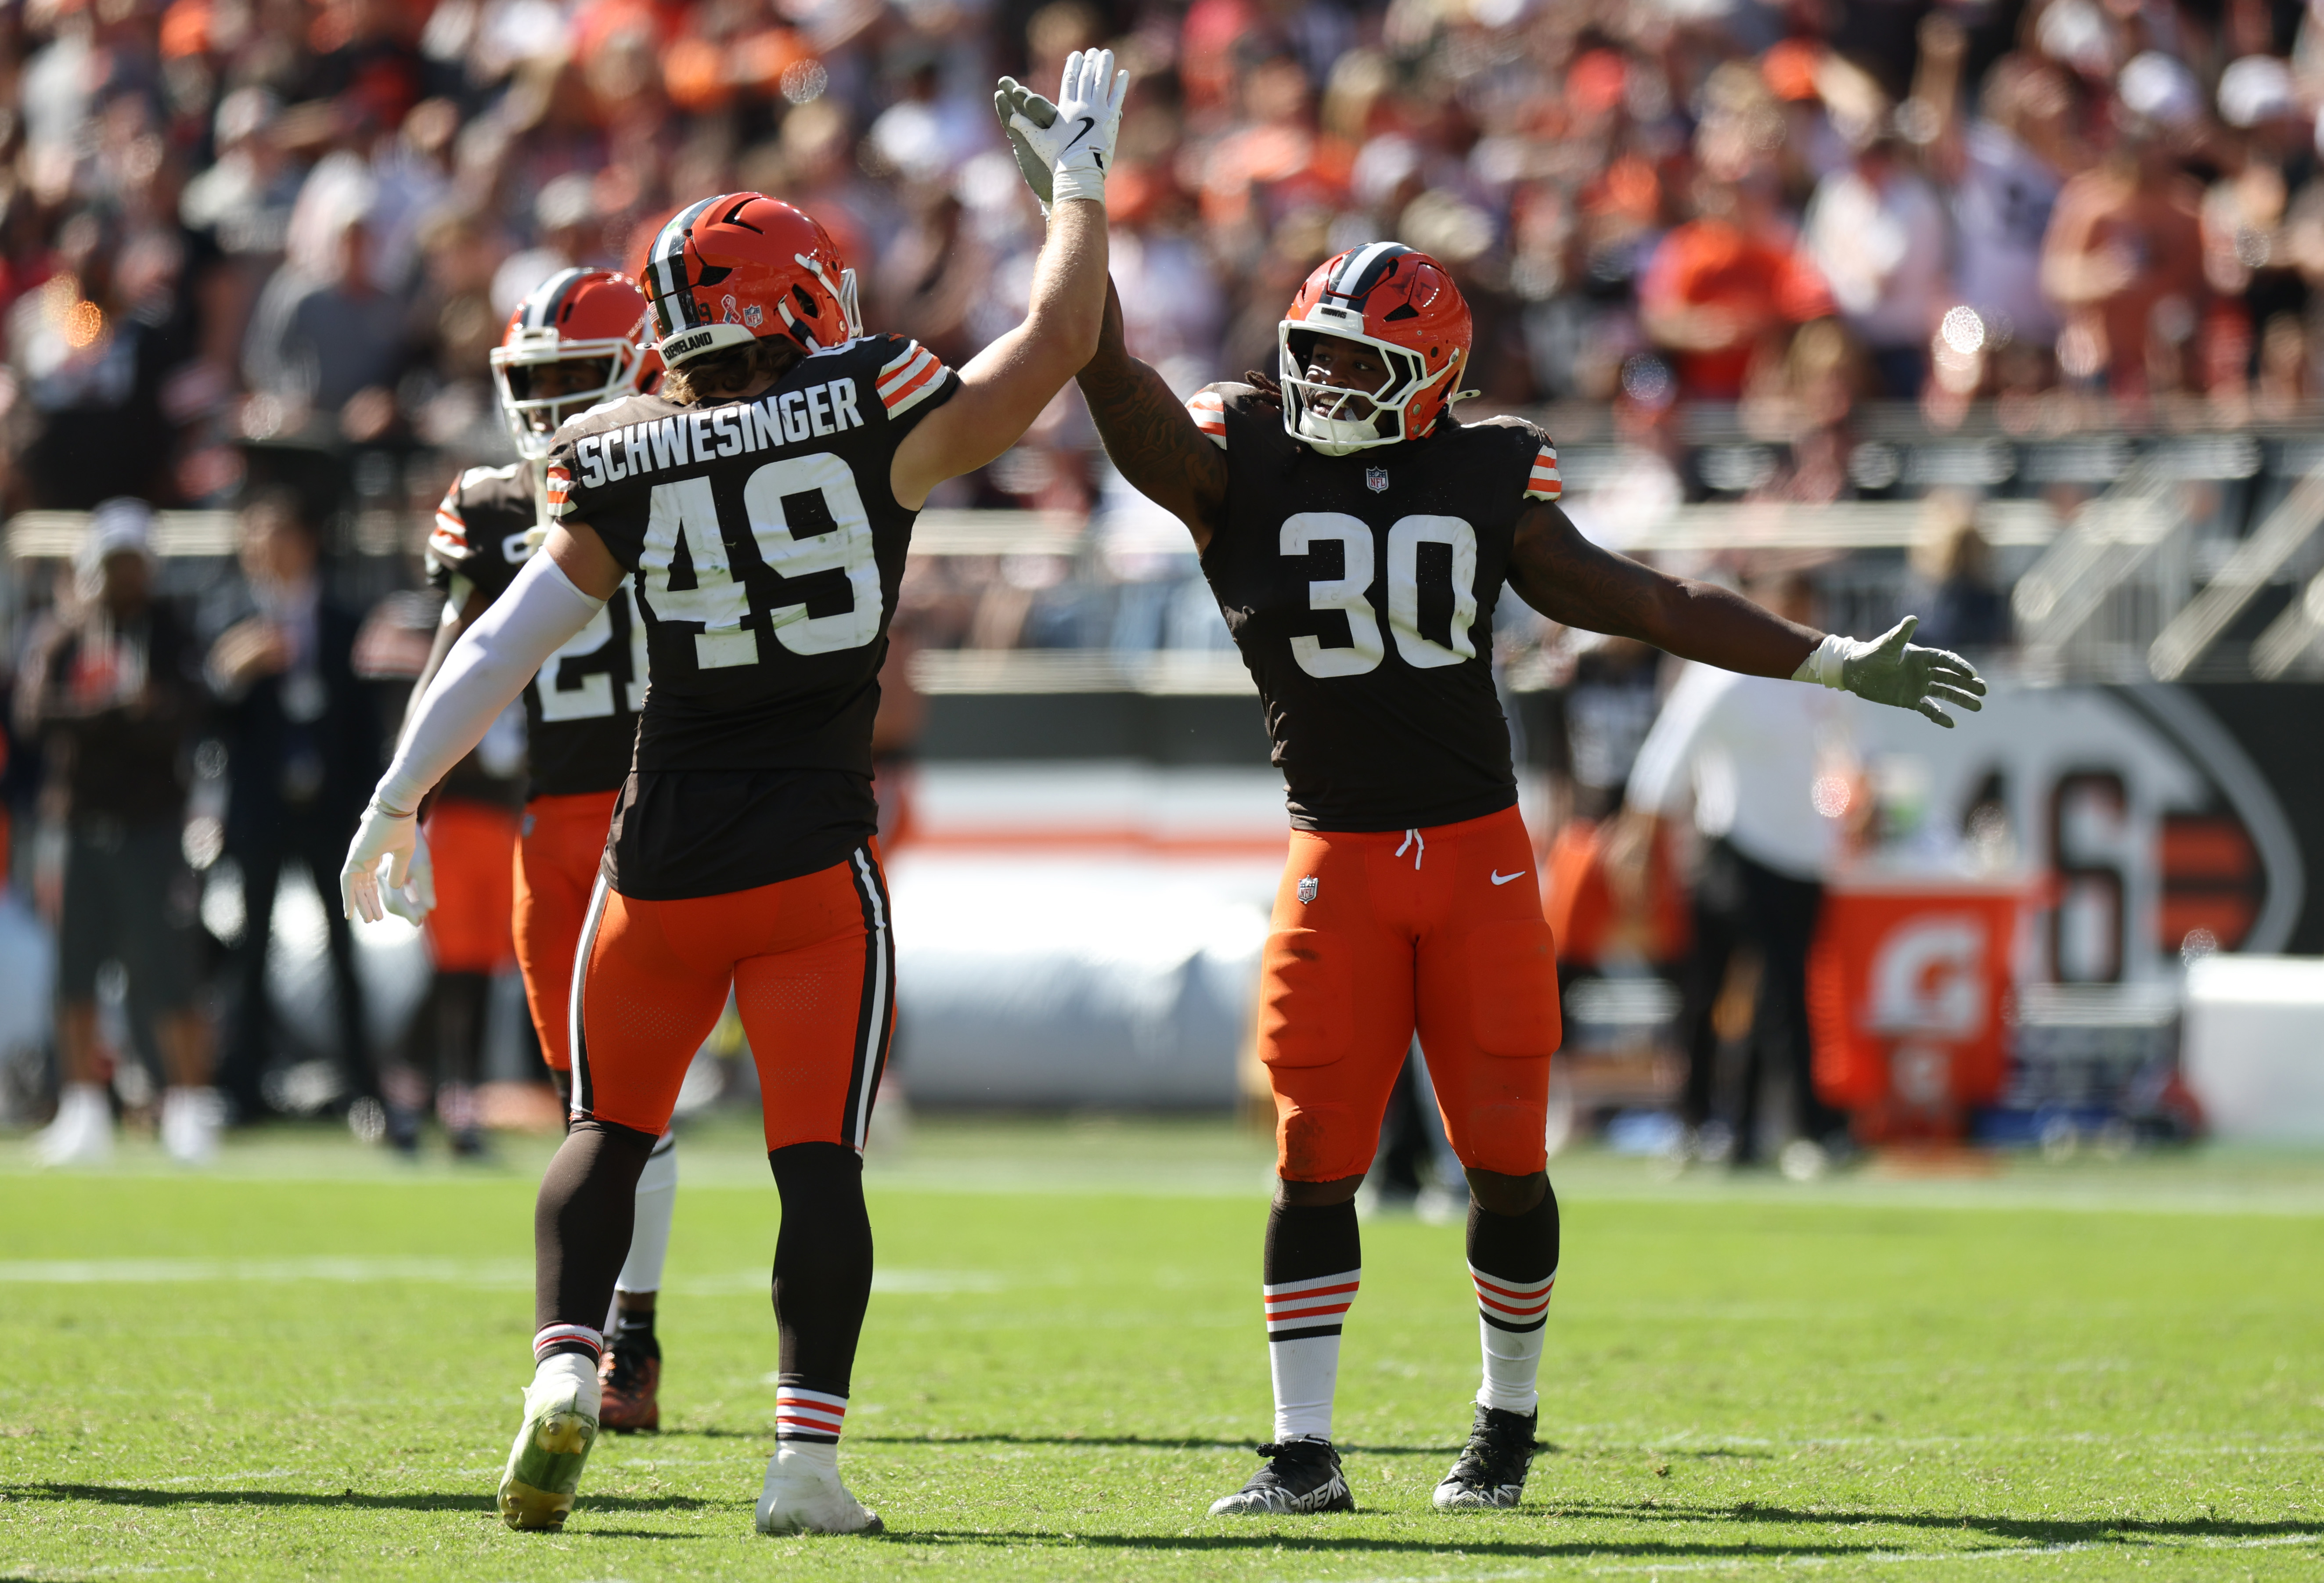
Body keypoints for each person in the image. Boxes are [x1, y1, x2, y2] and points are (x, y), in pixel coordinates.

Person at [1040, 89, 1985, 1506]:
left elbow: (1643, 597)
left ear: (1428, 374)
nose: (1323, 385)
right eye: (1314, 355)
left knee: (1504, 1161)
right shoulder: (1240, 456)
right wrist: (1083, 204)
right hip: (1337, 861)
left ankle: (1503, 1425)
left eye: (1357, 362)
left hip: (1477, 859)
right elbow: (1107, 382)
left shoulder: (1488, 470)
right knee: (1313, 1161)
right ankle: (1303, 1450)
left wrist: (1831, 659)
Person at [341, 47, 1128, 1540]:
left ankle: (564, 1373)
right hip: (809, 868)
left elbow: (503, 642)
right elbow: (1059, 336)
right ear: (801, 304)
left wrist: (396, 795)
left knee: (604, 1130)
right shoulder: (873, 401)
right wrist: (1075, 189)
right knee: (814, 1161)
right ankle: (804, 1463)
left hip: (655, 867)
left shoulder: (616, 458)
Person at [405, 267, 676, 1425]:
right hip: (546, 819)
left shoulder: (684, 466)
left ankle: (634, 1333)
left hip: (659, 804)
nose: (556, 404)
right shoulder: (493, 499)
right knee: (585, 1099)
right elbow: (457, 654)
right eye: (541, 383)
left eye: (577, 380)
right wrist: (404, 791)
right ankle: (620, 1330)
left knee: (630, 1096)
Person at [1618, 574, 1858, 1173]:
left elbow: (1854, 749)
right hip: (1735, 849)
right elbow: (1666, 759)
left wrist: (1859, 798)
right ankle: (1700, 1121)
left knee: (1784, 992)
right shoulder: (1724, 675)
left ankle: (1766, 1131)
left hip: (1801, 854)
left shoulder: (1819, 674)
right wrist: (1638, 839)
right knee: (1714, 993)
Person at [16, 500, 218, 1166]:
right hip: (79, 824)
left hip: (152, 826)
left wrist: (108, 722)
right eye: (114, 564)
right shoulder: (67, 634)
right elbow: (37, 714)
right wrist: (115, 716)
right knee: (73, 970)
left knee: (167, 968)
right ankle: (81, 1108)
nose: (125, 577)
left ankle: (188, 1104)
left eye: (134, 563)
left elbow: (179, 714)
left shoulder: (171, 631)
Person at [206, 489, 383, 1122]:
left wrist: (370, 809)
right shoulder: (229, 614)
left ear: (304, 540)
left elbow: (365, 726)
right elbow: (204, 717)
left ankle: (364, 1087)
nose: (263, 549)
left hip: (330, 810)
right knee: (249, 949)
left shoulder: (342, 619)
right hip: (259, 809)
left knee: (344, 947)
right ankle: (243, 1088)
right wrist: (231, 672)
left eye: (274, 533)